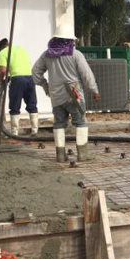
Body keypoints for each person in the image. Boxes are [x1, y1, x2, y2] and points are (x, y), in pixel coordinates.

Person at [32, 24, 100, 162]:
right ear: (70, 40)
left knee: (59, 124)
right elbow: (86, 74)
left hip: (56, 96)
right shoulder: (75, 54)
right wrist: (94, 90)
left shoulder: (47, 55)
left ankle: (60, 155)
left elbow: (35, 73)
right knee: (80, 122)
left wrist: (46, 86)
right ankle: (83, 154)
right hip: (74, 95)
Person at [0, 38, 39, 135]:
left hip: (17, 80)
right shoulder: (21, 49)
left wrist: (1, 82)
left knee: (14, 106)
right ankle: (35, 130)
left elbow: (3, 71)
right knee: (32, 104)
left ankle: (14, 132)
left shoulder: (3, 52)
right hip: (30, 78)